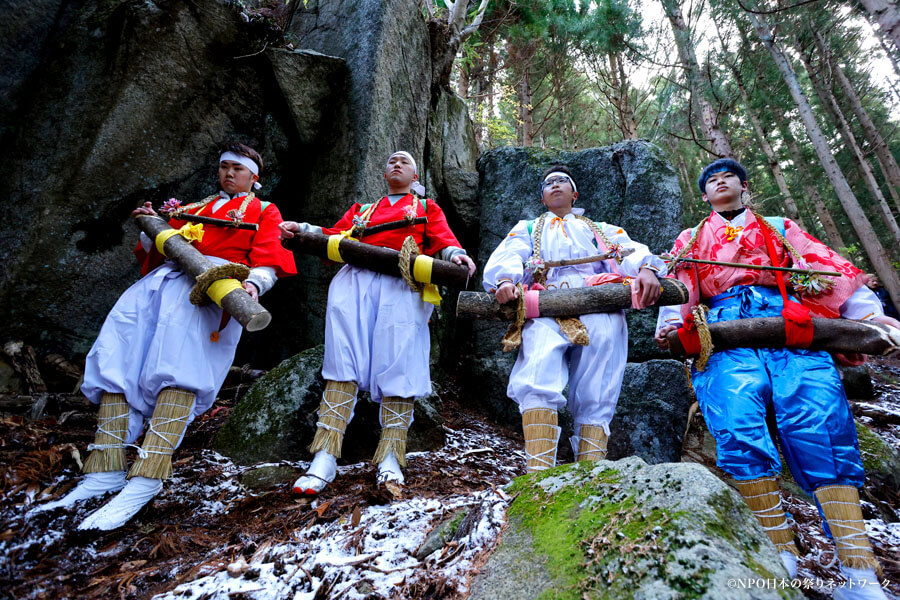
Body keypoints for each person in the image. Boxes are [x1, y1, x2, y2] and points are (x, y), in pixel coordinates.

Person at [655, 158, 900, 597]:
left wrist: (870, 317)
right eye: (711, 181)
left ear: (744, 186)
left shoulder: (779, 226)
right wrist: (671, 324)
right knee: (734, 419)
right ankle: (776, 556)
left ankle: (860, 573)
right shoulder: (690, 238)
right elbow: (679, 284)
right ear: (706, 196)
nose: (720, 182)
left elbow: (827, 268)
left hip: (789, 318)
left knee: (821, 418)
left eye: (727, 176)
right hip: (724, 329)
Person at [30, 143, 297, 530]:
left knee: (180, 369)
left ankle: (148, 475)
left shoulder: (264, 210)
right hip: (159, 287)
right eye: (223, 167)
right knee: (117, 359)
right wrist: (149, 225)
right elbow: (154, 251)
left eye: (237, 168)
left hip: (212, 291)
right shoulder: (194, 207)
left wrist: (255, 284)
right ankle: (105, 466)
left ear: (254, 176)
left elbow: (270, 256)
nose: (228, 173)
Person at [279, 151, 475, 495]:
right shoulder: (363, 210)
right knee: (342, 361)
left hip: (404, 284)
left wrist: (455, 255)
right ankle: (325, 453)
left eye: (404, 161)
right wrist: (303, 230)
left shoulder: (427, 208)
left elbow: (444, 241)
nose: (395, 164)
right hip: (353, 282)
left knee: (399, 362)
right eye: (390, 161)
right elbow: (334, 235)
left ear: (416, 176)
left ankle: (390, 457)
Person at [483, 166, 666, 472]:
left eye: (562, 181)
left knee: (599, 381)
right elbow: (510, 252)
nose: (555, 185)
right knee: (537, 372)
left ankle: (588, 473)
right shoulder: (527, 228)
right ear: (542, 197)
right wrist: (504, 280)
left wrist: (646, 268)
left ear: (575, 194)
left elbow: (627, 251)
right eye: (548, 183)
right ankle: (538, 474)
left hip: (599, 302)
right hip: (546, 302)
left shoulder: (600, 229)